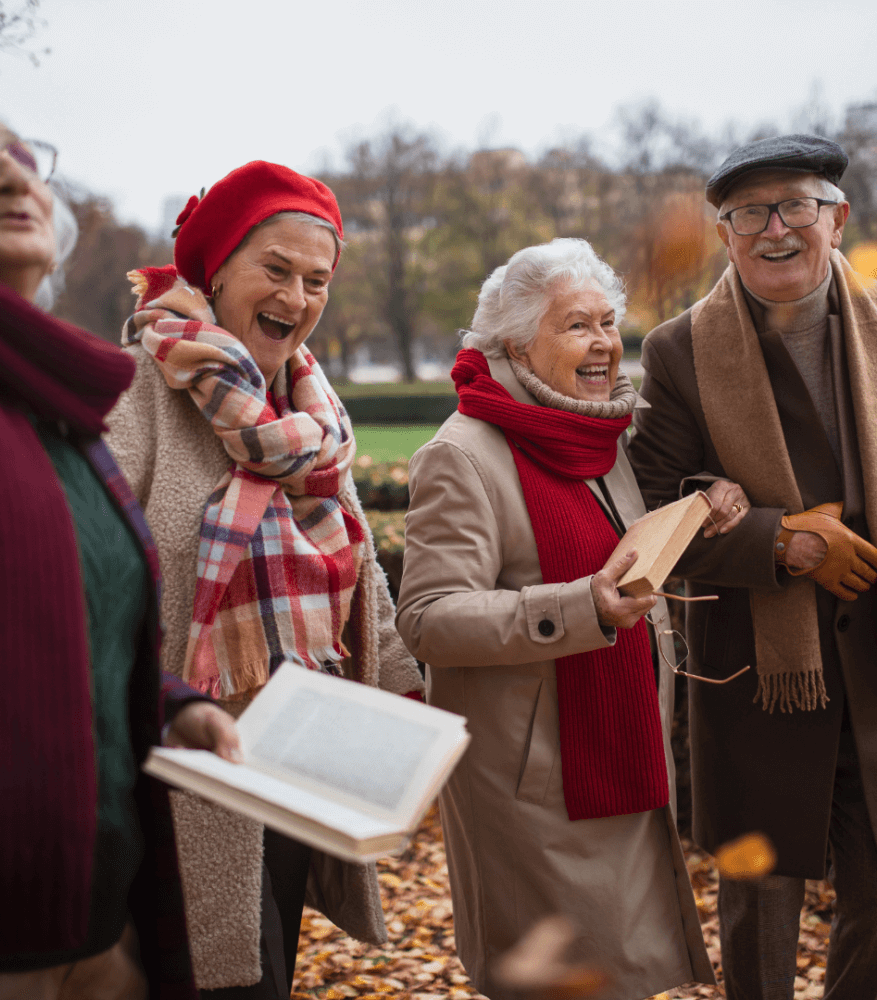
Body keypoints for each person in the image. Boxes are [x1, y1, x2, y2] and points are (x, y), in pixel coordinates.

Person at [0, 70, 241, 999]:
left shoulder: (49, 401)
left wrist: (166, 705)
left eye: (27, 159)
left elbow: (75, 615)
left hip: (91, 917)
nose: (13, 177)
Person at [104, 160, 424, 998]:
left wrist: (408, 692)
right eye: (275, 270)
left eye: (316, 279)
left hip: (293, 750)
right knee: (209, 973)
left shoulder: (308, 411)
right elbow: (93, 580)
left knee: (264, 965)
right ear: (216, 271)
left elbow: (363, 578)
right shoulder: (138, 391)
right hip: (181, 762)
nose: (298, 295)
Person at [394, 238, 720, 999]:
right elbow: (428, 618)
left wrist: (709, 497)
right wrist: (580, 608)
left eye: (609, 322)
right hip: (534, 788)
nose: (605, 342)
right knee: (565, 984)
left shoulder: (596, 436)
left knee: (617, 978)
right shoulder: (464, 454)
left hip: (619, 753)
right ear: (515, 343)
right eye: (578, 326)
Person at [627, 135, 877, 999]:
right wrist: (780, 541)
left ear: (836, 219)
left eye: (795, 206)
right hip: (763, 676)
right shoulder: (677, 352)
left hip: (875, 661)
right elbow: (651, 515)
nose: (775, 229)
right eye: (748, 214)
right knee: (760, 917)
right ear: (726, 235)